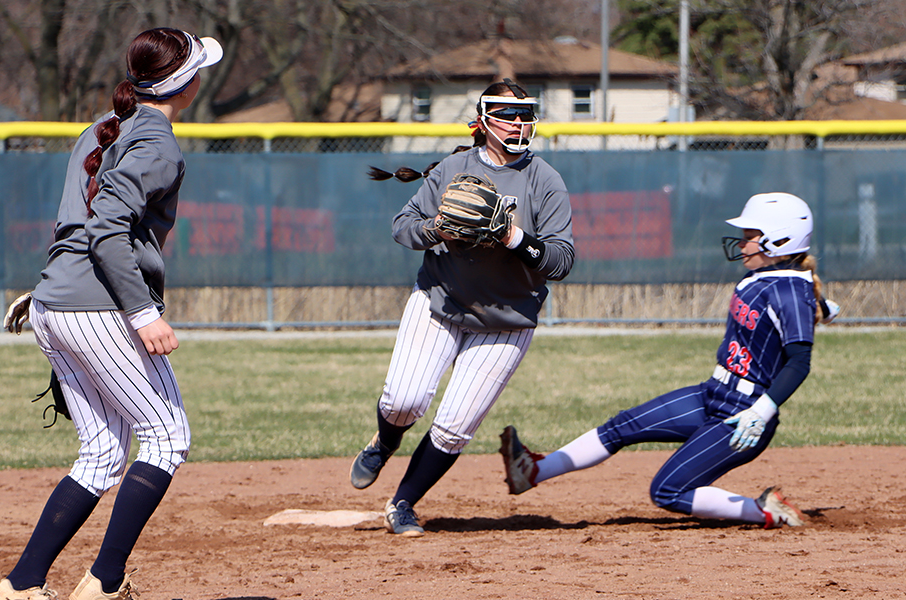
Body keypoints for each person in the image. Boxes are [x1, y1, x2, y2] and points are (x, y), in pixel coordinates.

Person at [0, 28, 222, 600]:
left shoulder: (103, 127)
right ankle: (105, 581)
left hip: (58, 302)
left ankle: (22, 585)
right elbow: (106, 230)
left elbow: (76, 224)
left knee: (103, 452)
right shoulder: (155, 145)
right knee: (168, 439)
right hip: (99, 308)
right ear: (186, 86)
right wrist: (144, 312)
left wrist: (51, 296)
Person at [500, 192, 839, 529]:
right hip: (714, 394)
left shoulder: (791, 292)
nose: (742, 243)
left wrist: (761, 413)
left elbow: (799, 363)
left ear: (780, 241)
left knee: (667, 491)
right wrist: (820, 302)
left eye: (751, 236)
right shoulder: (775, 278)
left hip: (744, 414)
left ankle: (765, 511)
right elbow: (790, 292)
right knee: (621, 426)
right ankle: (531, 471)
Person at [350, 80, 576, 537]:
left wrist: (515, 238)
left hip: (508, 319)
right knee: (404, 401)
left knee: (454, 427)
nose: (518, 122)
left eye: (525, 114)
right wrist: (439, 229)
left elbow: (562, 260)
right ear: (483, 119)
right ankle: (385, 440)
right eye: (507, 114)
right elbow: (403, 227)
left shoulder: (544, 180)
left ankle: (402, 503)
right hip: (441, 299)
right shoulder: (453, 167)